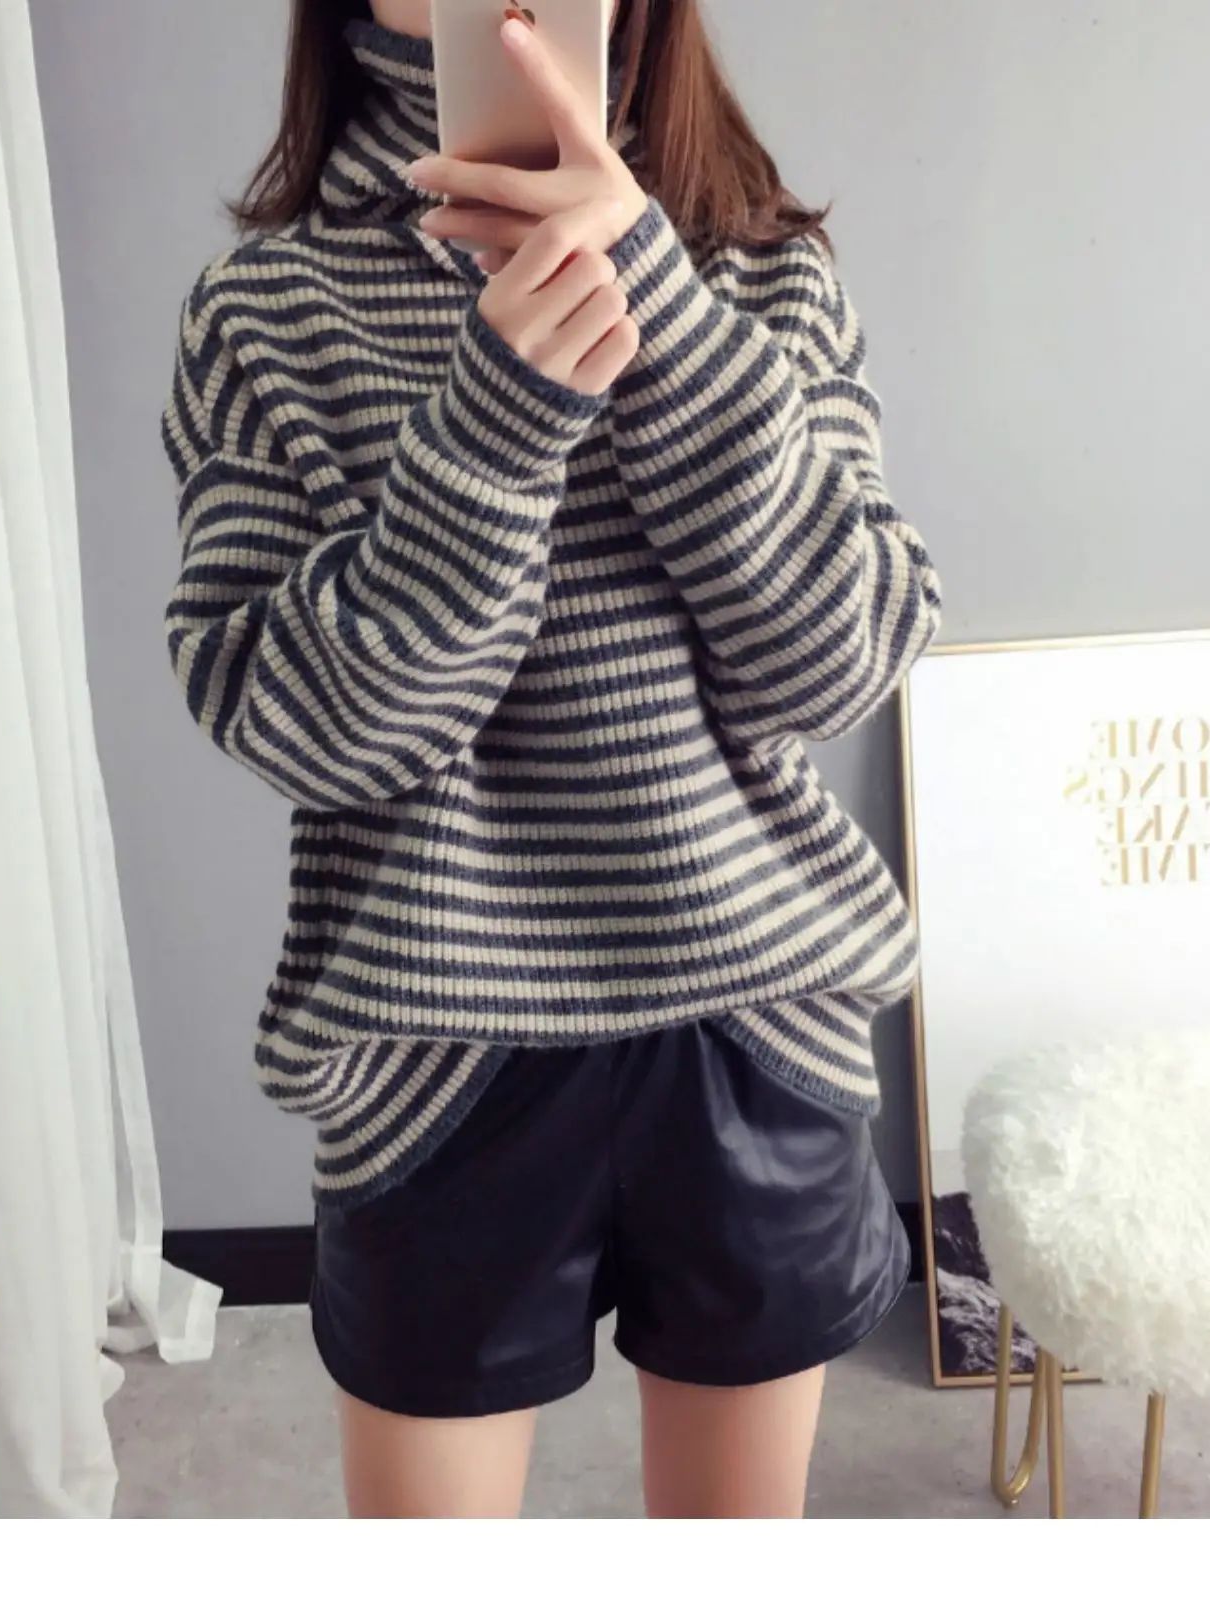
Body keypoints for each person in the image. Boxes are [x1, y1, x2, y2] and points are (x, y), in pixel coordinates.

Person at [161, 0, 942, 1518]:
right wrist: (494, 426)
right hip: (432, 1056)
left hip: (753, 1026)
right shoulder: (267, 308)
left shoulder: (762, 274)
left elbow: (840, 662)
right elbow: (298, 725)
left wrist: (656, 311)